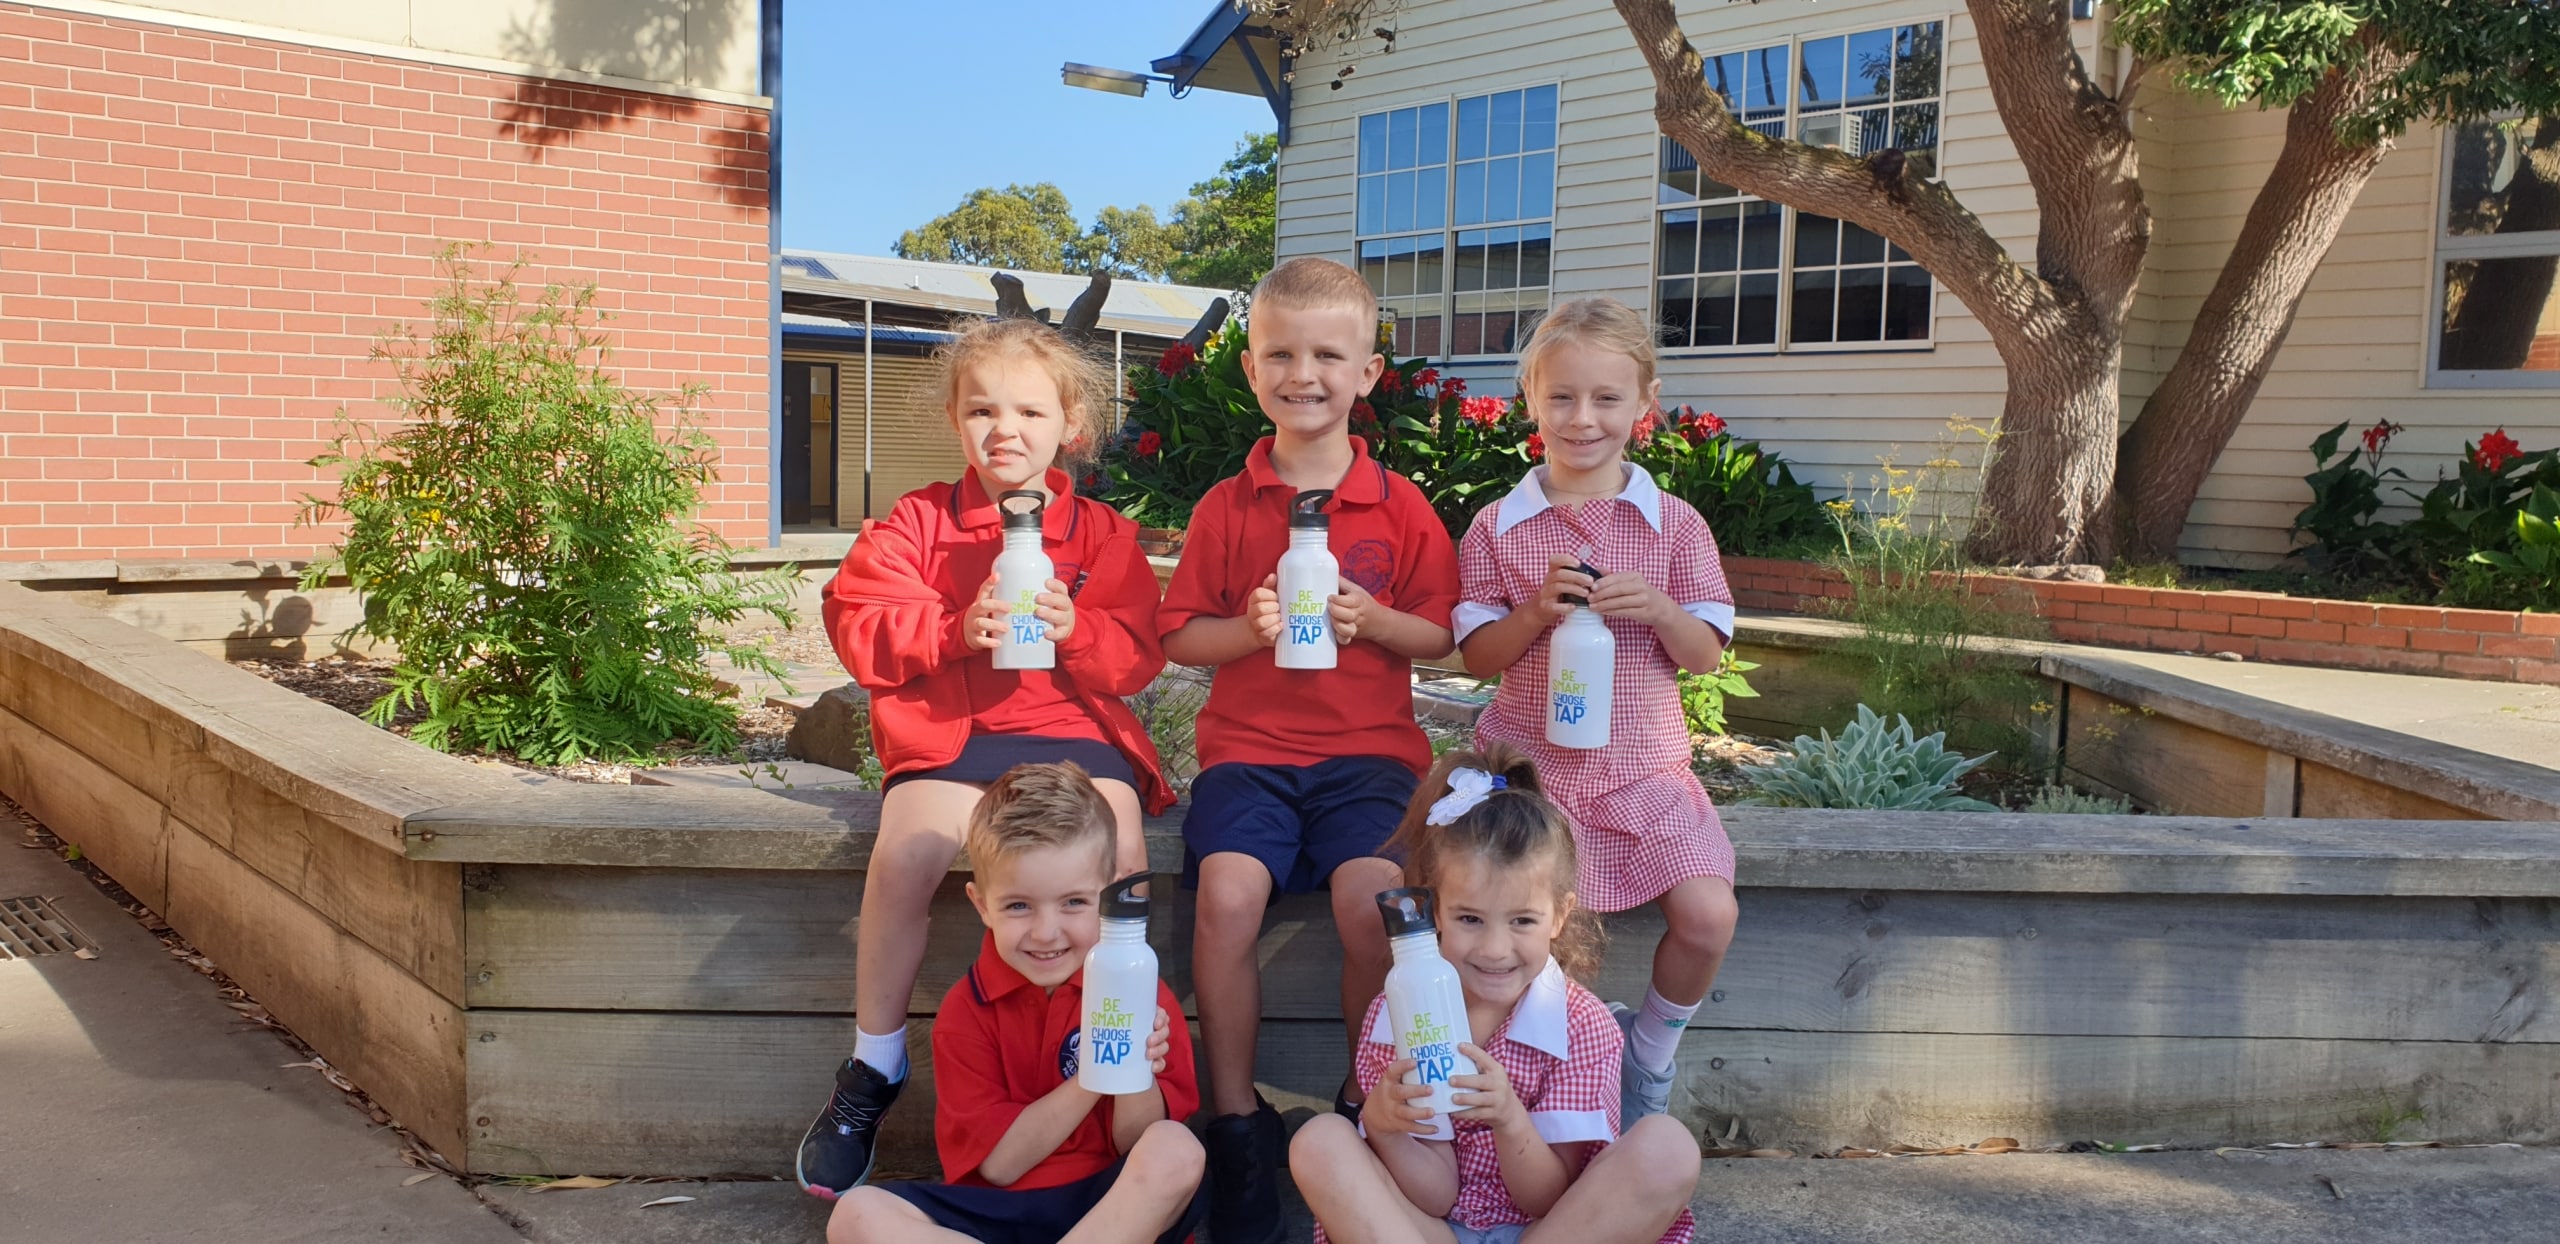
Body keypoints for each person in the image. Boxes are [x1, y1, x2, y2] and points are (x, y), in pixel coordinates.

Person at [798, 316, 1177, 1200]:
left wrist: (1079, 632)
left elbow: (1139, 656)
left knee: (1122, 854)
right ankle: (874, 1064)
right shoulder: (918, 521)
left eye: (1030, 413)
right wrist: (950, 626)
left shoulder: (1103, 535)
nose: (1005, 431)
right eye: (982, 411)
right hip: (955, 741)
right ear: (955, 420)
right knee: (907, 855)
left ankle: (1110, 1031)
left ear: (1069, 425)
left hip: (1074, 734)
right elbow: (858, 624)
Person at [1156, 256, 1461, 1244]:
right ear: (1252, 372)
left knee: (1372, 899)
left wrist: (1374, 618)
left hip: (1369, 755)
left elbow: (1442, 633)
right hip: (1248, 752)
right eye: (1280, 353)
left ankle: (1360, 1100)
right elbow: (1176, 635)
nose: (1304, 373)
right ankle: (1235, 1120)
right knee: (1229, 894)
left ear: (1367, 371)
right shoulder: (1226, 505)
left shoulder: (1399, 505)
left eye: (1328, 354)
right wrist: (1243, 631)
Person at [1450, 298, 1739, 1123]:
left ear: (1644, 403)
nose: (1584, 419)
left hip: (1644, 772)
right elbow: (1476, 657)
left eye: (1607, 399)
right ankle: (1546, 1087)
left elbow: (1705, 653)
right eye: (1562, 398)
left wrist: (1659, 609)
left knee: (1708, 914)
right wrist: (1534, 614)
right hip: (1530, 775)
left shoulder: (1675, 527)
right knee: (1538, 946)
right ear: (1531, 401)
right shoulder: (1498, 527)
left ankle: (1647, 1053)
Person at [1290, 746, 1703, 1244]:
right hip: (1430, 1230)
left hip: (1548, 1231)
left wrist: (1510, 1120)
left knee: (1669, 1147)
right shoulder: (1397, 1014)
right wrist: (1383, 1127)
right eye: (1469, 918)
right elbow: (1435, 1195)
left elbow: (1551, 1199)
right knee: (1321, 1141)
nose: (1494, 948)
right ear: (1434, 912)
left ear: (1559, 916)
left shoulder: (1582, 1025)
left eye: (1522, 921)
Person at [827, 762, 1207, 1244]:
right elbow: (1002, 1167)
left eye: (1073, 902)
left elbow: (1136, 1144)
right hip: (996, 1213)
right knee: (857, 1213)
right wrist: (1093, 1071)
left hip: (1112, 1211)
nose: (1046, 932)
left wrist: (1131, 1069)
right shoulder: (967, 1012)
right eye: (1018, 905)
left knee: (1177, 1149)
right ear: (982, 904)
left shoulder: (1139, 987)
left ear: (1107, 896)